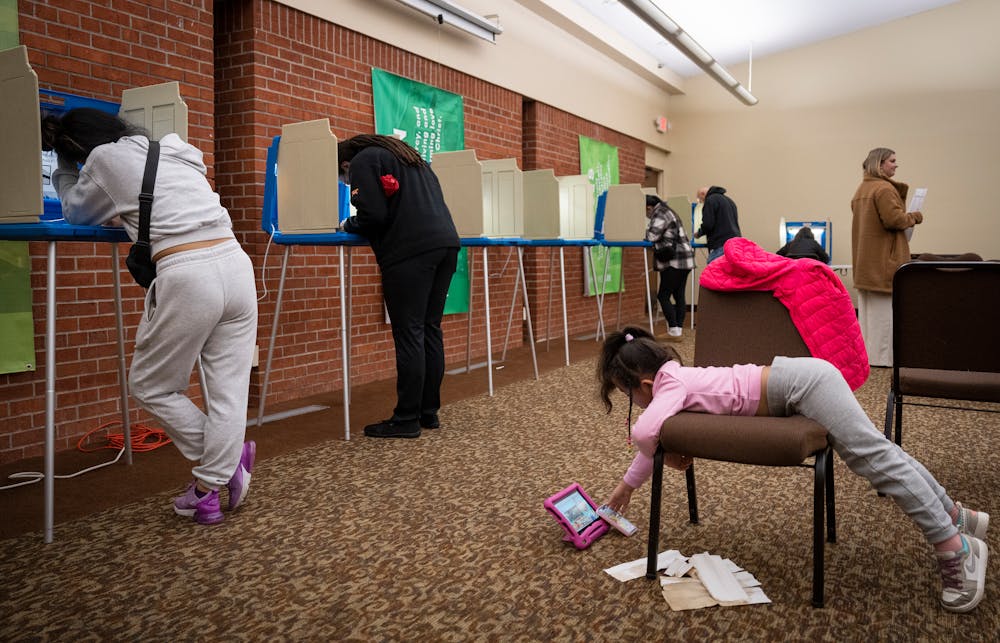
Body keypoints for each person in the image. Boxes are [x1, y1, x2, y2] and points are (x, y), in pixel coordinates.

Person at [597, 326, 990, 613]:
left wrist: (647, 464)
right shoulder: (673, 379)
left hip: (803, 385)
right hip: (799, 382)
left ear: (645, 383)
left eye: (629, 394)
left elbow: (646, 433)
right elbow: (656, 440)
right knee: (875, 452)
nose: (635, 402)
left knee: (872, 458)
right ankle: (956, 516)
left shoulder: (671, 385)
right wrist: (629, 485)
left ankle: (956, 548)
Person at [44, 108, 257, 525]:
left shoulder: (104, 159)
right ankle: (207, 491)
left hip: (188, 272)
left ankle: (225, 465)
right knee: (229, 390)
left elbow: (74, 210)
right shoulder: (177, 150)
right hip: (236, 264)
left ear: (77, 149)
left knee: (151, 384)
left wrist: (65, 169)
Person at [339, 135, 461, 439]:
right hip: (445, 245)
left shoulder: (364, 161)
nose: (345, 180)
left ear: (344, 164)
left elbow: (373, 215)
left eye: (343, 177)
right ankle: (427, 412)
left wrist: (347, 224)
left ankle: (405, 418)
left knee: (409, 333)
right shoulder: (411, 159)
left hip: (410, 252)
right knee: (430, 329)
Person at [851, 147, 923, 367]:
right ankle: (882, 360)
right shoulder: (883, 189)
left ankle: (869, 358)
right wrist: (915, 216)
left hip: (866, 263)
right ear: (880, 163)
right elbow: (895, 220)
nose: (895, 164)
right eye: (892, 161)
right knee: (884, 318)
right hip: (883, 263)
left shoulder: (862, 189)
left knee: (868, 319)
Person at [644, 195, 694, 340]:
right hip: (685, 260)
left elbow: (652, 236)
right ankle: (677, 331)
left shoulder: (660, 213)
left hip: (674, 261)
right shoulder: (669, 211)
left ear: (649, 207)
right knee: (679, 295)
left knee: (663, 295)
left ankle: (673, 330)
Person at [694, 186, 741, 263]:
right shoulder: (730, 201)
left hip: (720, 245)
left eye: (700, 200)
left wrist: (699, 233)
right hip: (736, 244)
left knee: (715, 272)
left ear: (702, 194)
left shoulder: (710, 200)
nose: (702, 202)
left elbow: (708, 224)